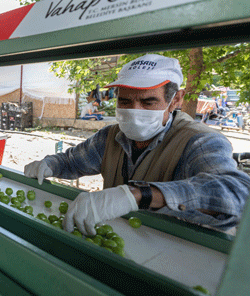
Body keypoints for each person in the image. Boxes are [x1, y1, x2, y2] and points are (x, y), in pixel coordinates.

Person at [24, 54, 250, 235]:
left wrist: (138, 195)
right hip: (118, 244)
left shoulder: (199, 141)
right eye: (125, 101)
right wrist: (49, 164)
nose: (134, 111)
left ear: (176, 100)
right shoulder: (110, 137)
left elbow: (237, 195)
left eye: (148, 101)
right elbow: (72, 161)